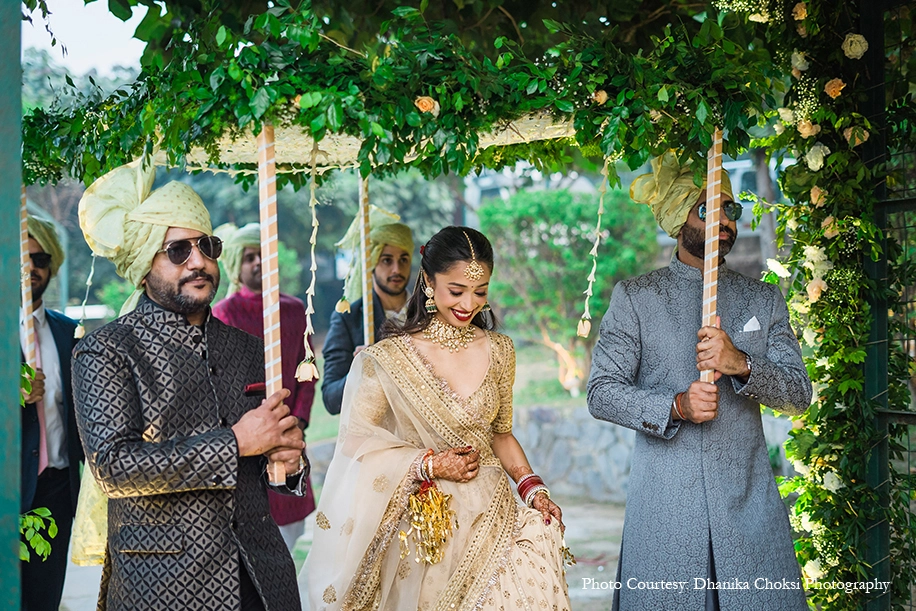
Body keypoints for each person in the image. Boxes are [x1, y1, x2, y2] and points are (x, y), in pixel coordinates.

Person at [72, 159, 308, 611]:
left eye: (207, 246)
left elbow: (267, 469)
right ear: (144, 265)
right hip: (163, 586)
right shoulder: (107, 351)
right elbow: (113, 468)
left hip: (262, 580)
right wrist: (235, 443)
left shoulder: (248, 348)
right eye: (178, 251)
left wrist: (289, 463)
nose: (198, 261)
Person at [587, 151, 811, 611]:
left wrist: (741, 363)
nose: (725, 220)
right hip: (665, 513)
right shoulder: (637, 298)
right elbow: (601, 392)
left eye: (730, 208)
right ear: (677, 217)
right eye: (709, 209)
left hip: (748, 511)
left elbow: (798, 394)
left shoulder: (763, 300)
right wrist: (675, 406)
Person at [306, 226, 571, 611]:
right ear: (429, 282)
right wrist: (429, 464)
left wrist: (534, 490)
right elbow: (355, 441)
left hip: (495, 514)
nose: (469, 304)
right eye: (457, 291)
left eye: (480, 292)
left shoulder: (500, 350)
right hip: (426, 526)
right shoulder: (389, 359)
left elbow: (501, 434)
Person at [212, 222, 317, 552]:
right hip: (246, 446)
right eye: (249, 257)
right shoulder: (222, 315)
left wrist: (296, 421)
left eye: (264, 255)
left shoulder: (295, 310)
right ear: (236, 266)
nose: (258, 262)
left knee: (289, 537)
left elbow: (307, 372)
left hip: (290, 438)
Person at [19, 215, 82, 611]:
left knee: (45, 598)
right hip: (8, 487)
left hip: (57, 489)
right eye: (20, 259)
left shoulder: (68, 332)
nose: (30, 268)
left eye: (39, 259)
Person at [321, 211, 414, 415]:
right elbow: (331, 400)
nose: (396, 269)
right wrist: (361, 371)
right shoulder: (349, 318)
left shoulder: (427, 312)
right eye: (387, 260)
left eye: (403, 259)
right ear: (371, 262)